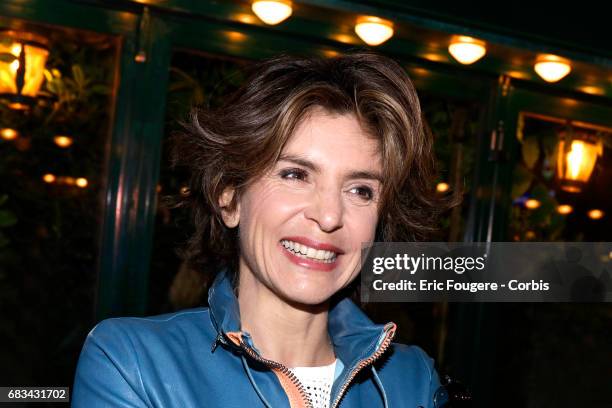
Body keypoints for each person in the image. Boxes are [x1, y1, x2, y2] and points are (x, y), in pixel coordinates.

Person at [73, 52, 448, 408]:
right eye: (295, 175)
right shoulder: (133, 362)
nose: (330, 215)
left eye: (360, 190)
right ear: (230, 198)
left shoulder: (412, 379)